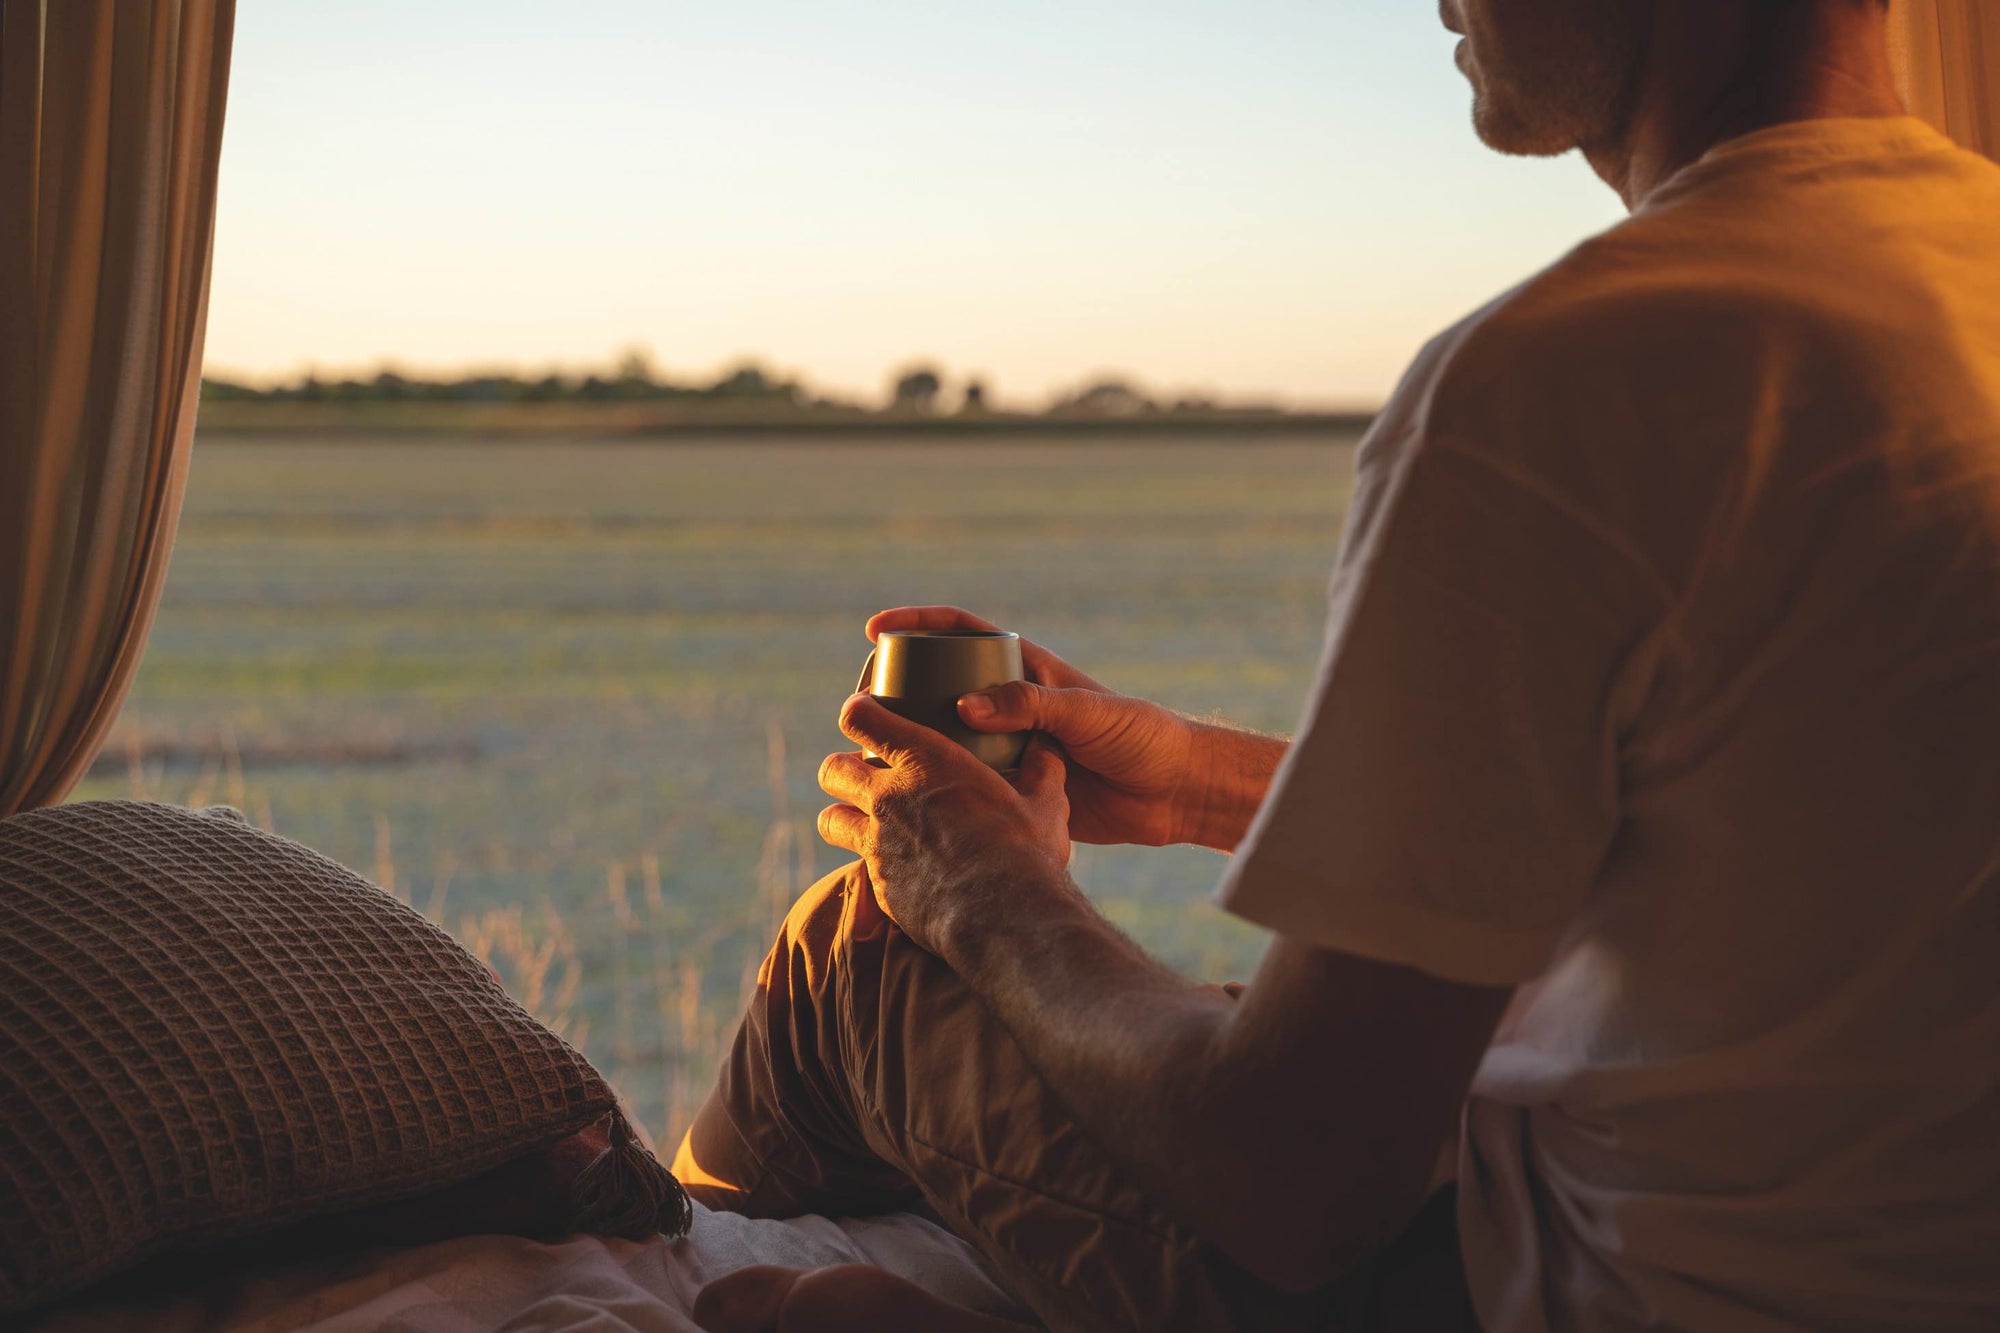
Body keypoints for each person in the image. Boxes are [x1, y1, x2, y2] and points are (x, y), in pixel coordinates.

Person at [681, 1, 2000, 1329]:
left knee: (849, 954)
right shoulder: (1953, 273)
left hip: (1568, 1282)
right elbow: (1754, 829)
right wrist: (1204, 785)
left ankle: (645, 1277)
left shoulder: (1570, 378)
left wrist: (986, 890)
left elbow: (1296, 1173)